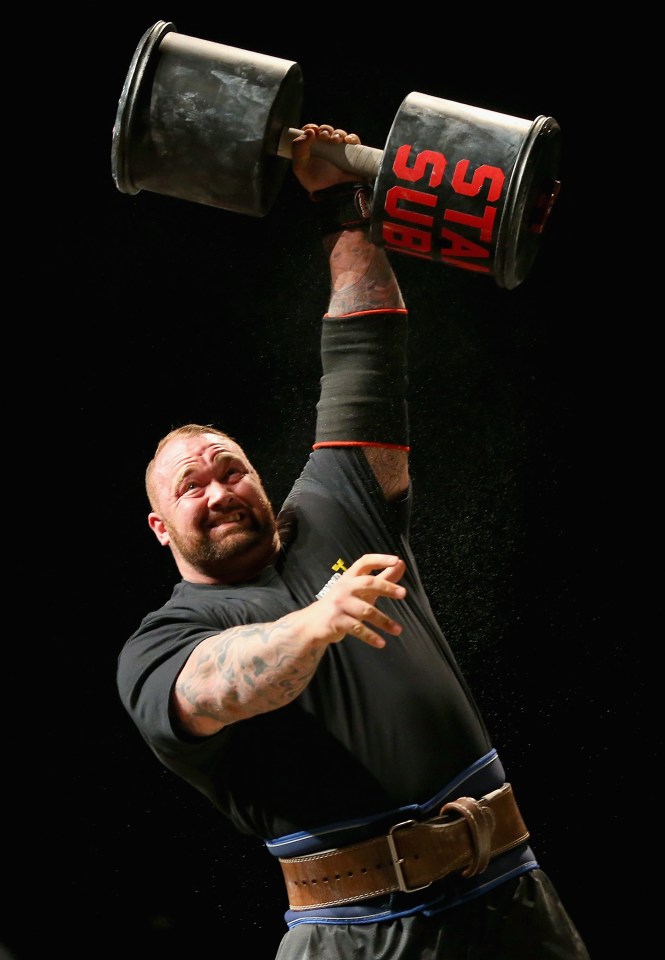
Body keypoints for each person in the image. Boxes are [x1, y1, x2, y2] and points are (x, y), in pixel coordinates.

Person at [117, 123, 590, 959]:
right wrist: (315, 622)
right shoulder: (160, 645)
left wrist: (340, 206)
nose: (219, 490)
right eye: (191, 487)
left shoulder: (331, 508)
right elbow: (213, 692)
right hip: (360, 940)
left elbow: (365, 351)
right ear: (160, 528)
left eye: (230, 471)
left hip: (514, 901)